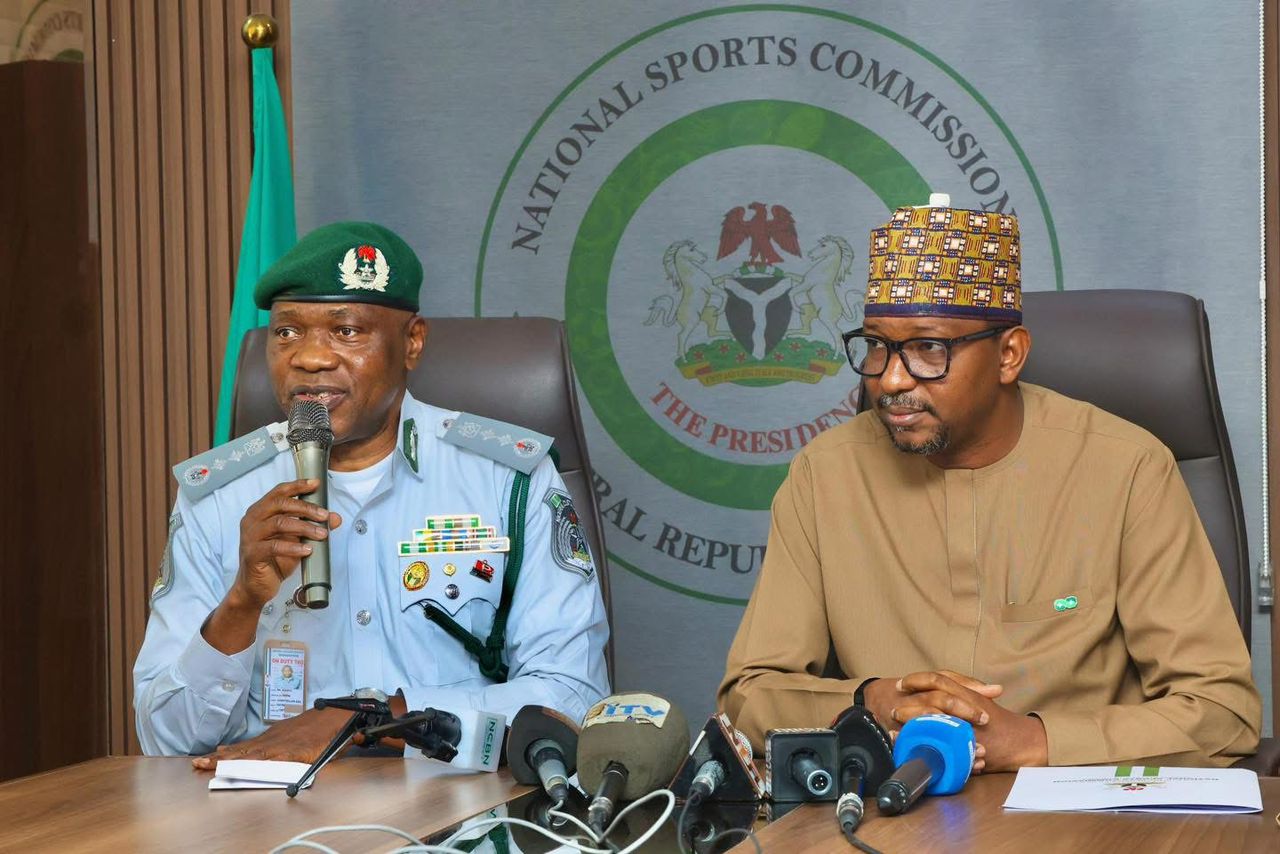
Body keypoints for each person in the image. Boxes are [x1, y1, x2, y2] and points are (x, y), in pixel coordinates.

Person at [718, 197, 1260, 772]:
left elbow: (1223, 712)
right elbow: (748, 697)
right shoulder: (824, 474)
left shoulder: (1127, 468)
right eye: (877, 345)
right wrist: (870, 702)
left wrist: (1036, 741)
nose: (891, 379)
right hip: (892, 806)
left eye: (929, 348)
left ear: (1009, 355)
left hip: (1080, 808)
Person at [134, 221, 610, 765]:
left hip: (454, 807)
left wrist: (378, 722)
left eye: (346, 331)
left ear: (412, 342)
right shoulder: (218, 496)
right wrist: (242, 603)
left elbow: (573, 698)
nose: (310, 358)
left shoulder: (508, 480)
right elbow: (165, 740)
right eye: (286, 332)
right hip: (271, 809)